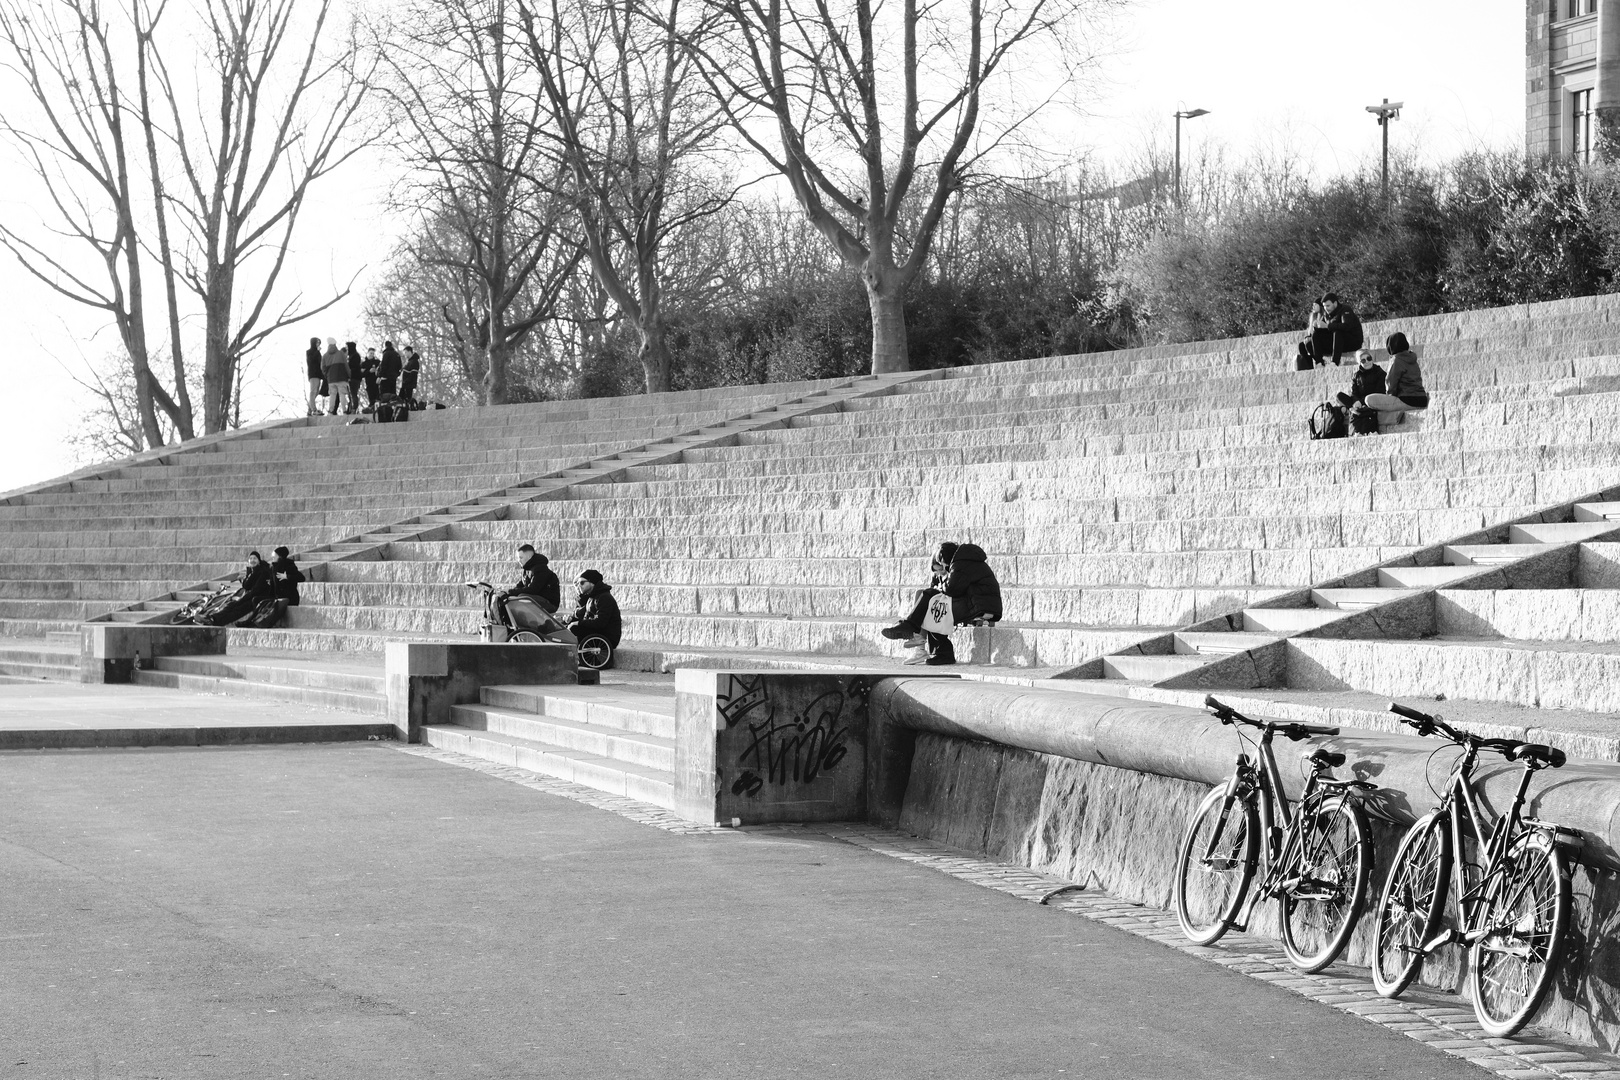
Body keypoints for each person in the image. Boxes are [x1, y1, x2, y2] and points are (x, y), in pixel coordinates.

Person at [880, 542, 1002, 666]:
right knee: (934, 605)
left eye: (942, 563)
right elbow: (954, 588)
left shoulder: (961, 563)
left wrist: (939, 587)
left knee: (932, 600)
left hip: (980, 606)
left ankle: (914, 630)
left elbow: (951, 589)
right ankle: (939, 651)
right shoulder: (965, 561)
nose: (943, 566)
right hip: (978, 604)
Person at [1364, 332, 1428, 419]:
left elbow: (1391, 384)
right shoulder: (1412, 358)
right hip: (1421, 399)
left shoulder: (1397, 360)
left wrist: (1389, 396)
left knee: (1368, 400)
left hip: (1407, 401)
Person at [205, 551, 276, 626]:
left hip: (259, 598)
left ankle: (215, 621)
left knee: (238, 609)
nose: (252, 560)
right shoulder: (253, 571)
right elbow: (246, 586)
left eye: (255, 558)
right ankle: (213, 619)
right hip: (251, 596)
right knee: (231, 605)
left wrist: (242, 599)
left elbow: (256, 590)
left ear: (259, 561)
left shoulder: (263, 572)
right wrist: (249, 574)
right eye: (250, 558)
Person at [1296, 293, 1363, 367]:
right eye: (1324, 306)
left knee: (1337, 331)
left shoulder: (1345, 309)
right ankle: (1319, 363)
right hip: (1337, 343)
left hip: (1352, 341)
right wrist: (1317, 327)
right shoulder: (1326, 314)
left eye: (1328, 306)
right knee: (1311, 340)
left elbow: (1346, 326)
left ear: (1335, 303)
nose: (1326, 308)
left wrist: (1327, 326)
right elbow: (1325, 331)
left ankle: (1334, 362)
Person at [495, 543, 561, 617]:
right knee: (513, 598)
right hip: (537, 600)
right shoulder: (527, 569)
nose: (519, 560)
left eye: (521, 557)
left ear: (529, 557)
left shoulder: (541, 569)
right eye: (518, 558)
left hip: (550, 604)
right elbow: (520, 586)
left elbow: (533, 590)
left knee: (523, 597)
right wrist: (507, 592)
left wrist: (510, 592)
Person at [565, 569, 622, 649]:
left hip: (608, 637)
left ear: (592, 583)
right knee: (568, 624)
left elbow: (600, 622)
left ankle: (574, 653)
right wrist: (572, 619)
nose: (579, 586)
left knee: (574, 628)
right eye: (578, 584)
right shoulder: (592, 597)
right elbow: (586, 618)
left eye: (582, 583)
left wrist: (578, 623)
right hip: (598, 632)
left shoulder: (604, 598)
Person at [321, 337, 350, 415]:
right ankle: (344, 410)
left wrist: (327, 375)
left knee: (332, 395)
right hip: (341, 377)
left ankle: (331, 411)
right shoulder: (340, 353)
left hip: (331, 379)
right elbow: (346, 365)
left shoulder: (325, 356)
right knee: (342, 394)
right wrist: (349, 375)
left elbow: (323, 368)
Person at [304, 337, 324, 416]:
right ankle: (313, 409)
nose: (318, 344)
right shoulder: (309, 352)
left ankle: (309, 410)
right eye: (317, 342)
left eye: (319, 343)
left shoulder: (318, 352)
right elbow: (311, 360)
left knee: (316, 392)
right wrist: (317, 351)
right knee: (313, 392)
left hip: (318, 375)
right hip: (313, 374)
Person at [344, 342, 363, 415]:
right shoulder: (351, 356)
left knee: (353, 393)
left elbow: (354, 367)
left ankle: (354, 407)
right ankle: (351, 407)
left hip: (355, 377)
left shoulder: (355, 356)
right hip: (352, 377)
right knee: (350, 394)